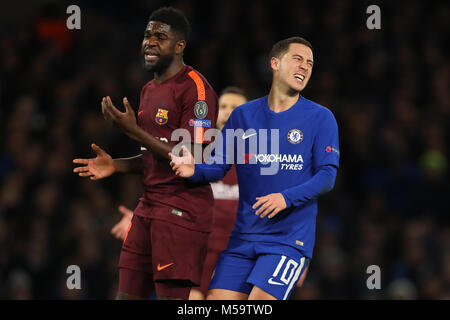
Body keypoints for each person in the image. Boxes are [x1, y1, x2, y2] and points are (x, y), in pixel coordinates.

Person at [170, 36, 339, 300]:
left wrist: (286, 198)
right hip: (243, 238)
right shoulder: (243, 116)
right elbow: (218, 166)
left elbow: (327, 176)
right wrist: (195, 171)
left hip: (287, 240)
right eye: (297, 59)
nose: (305, 67)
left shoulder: (321, 117)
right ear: (275, 63)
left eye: (310, 63)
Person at [73, 7, 218, 300]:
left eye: (160, 37)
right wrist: (116, 165)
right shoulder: (149, 89)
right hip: (148, 207)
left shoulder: (196, 90)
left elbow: (190, 156)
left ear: (179, 46)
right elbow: (153, 154)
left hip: (182, 213)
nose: (150, 41)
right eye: (147, 35)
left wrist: (132, 131)